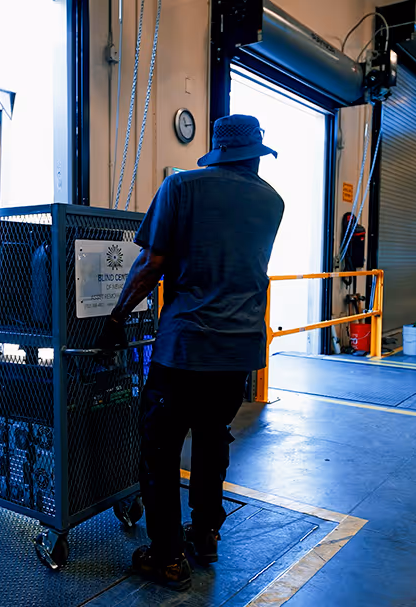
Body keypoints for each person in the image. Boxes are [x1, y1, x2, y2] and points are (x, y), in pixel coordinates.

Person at [97, 114, 284, 591]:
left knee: (159, 451)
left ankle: (166, 557)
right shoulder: (272, 201)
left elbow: (151, 262)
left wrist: (116, 318)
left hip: (185, 347)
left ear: (218, 150)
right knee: (212, 438)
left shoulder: (182, 188)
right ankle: (205, 536)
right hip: (239, 350)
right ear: (256, 156)